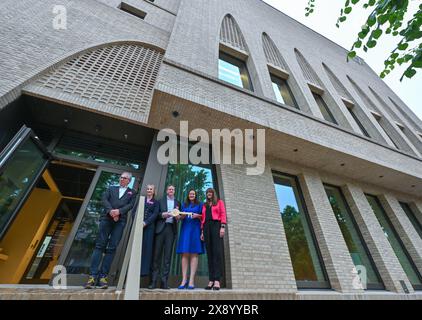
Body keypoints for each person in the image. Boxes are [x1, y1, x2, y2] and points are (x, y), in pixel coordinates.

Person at [85, 172, 136, 289]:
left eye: (125, 178)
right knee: (99, 246)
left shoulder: (132, 192)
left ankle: (103, 277)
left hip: (120, 221)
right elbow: (104, 199)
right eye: (121, 177)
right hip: (106, 219)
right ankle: (92, 277)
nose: (122, 179)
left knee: (112, 248)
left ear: (129, 180)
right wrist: (111, 211)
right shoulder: (111, 188)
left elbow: (130, 205)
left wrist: (119, 212)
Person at [149, 185, 181, 289]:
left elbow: (179, 216)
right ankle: (153, 281)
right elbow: (156, 214)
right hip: (160, 229)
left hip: (171, 230)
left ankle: (164, 282)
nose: (171, 190)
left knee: (167, 257)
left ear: (174, 191)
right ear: (167, 191)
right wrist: (163, 215)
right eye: (169, 189)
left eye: (173, 189)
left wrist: (178, 218)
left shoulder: (177, 203)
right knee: (156, 256)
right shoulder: (159, 201)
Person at [176, 189, 204, 290]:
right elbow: (179, 217)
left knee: (194, 253)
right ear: (188, 195)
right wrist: (181, 216)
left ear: (195, 195)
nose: (191, 195)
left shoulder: (200, 205)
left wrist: (198, 216)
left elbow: (204, 217)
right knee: (184, 253)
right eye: (190, 194)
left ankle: (191, 280)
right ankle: (184, 280)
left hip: (195, 230)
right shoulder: (184, 205)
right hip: (186, 230)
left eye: (193, 194)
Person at [200, 188, 226, 291]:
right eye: (207, 193)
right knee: (209, 254)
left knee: (216, 253)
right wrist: (202, 231)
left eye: (210, 192)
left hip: (216, 226)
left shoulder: (219, 202)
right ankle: (211, 280)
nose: (208, 194)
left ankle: (217, 280)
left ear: (213, 193)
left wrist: (222, 227)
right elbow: (203, 219)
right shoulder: (205, 205)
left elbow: (223, 214)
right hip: (206, 228)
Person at [140, 184, 160, 278]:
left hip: (149, 228)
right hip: (138, 227)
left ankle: (143, 272)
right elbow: (134, 212)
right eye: (147, 189)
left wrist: (146, 222)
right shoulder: (141, 200)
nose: (149, 190)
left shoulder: (156, 202)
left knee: (146, 249)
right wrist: (137, 223)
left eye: (151, 189)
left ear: (153, 191)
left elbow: (155, 214)